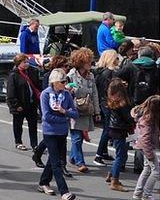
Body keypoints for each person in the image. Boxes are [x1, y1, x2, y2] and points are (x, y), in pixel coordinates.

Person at [37, 68, 78, 200]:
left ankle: (43, 182)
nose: (64, 84)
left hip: (62, 132)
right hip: (50, 132)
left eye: (65, 81)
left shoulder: (66, 95)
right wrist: (63, 118)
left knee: (52, 160)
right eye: (62, 81)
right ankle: (64, 191)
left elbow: (75, 113)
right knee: (57, 162)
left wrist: (64, 111)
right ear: (54, 82)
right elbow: (46, 116)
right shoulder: (45, 94)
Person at [67, 47, 100, 173]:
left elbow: (95, 94)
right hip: (75, 109)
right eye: (88, 61)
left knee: (80, 135)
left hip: (87, 109)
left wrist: (97, 111)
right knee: (76, 137)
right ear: (81, 62)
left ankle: (73, 157)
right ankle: (80, 162)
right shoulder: (71, 75)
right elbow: (69, 92)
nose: (90, 64)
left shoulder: (91, 76)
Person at [105, 78, 134, 192]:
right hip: (121, 130)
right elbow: (128, 118)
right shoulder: (123, 103)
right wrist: (134, 120)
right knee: (121, 156)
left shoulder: (112, 101)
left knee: (120, 154)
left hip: (115, 129)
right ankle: (115, 181)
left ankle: (111, 174)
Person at [6, 54, 41, 151]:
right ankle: (18, 142)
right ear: (18, 63)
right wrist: (16, 105)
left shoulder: (32, 72)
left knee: (33, 125)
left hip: (31, 103)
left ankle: (34, 144)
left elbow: (37, 85)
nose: (27, 64)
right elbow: (11, 92)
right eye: (24, 62)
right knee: (18, 124)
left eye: (27, 62)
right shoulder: (14, 75)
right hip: (20, 105)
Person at [92, 49, 120, 166]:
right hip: (108, 102)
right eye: (116, 58)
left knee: (106, 128)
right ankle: (98, 155)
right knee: (108, 129)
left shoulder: (100, 72)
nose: (118, 60)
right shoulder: (109, 73)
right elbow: (109, 90)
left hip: (103, 102)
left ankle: (103, 152)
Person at [132, 95, 160, 200]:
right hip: (147, 147)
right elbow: (145, 138)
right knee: (156, 171)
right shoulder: (148, 120)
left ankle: (138, 193)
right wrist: (149, 154)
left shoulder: (146, 116)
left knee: (147, 169)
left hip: (144, 146)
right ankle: (146, 194)